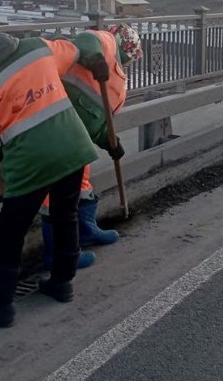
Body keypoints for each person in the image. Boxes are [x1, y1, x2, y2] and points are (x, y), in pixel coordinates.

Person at [0, 19, 108, 329]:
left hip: (31, 163)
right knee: (66, 215)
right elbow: (77, 49)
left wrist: (1, 151)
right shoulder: (37, 48)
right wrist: (96, 60)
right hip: (72, 146)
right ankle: (62, 283)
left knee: (11, 231)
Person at [39, 23, 144, 271]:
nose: (132, 60)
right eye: (133, 54)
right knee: (54, 193)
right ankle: (57, 254)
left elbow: (98, 119)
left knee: (82, 185)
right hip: (56, 123)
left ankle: (86, 233)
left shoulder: (118, 79)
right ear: (127, 47)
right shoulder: (107, 43)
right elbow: (86, 40)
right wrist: (95, 59)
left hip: (78, 139)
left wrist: (111, 142)